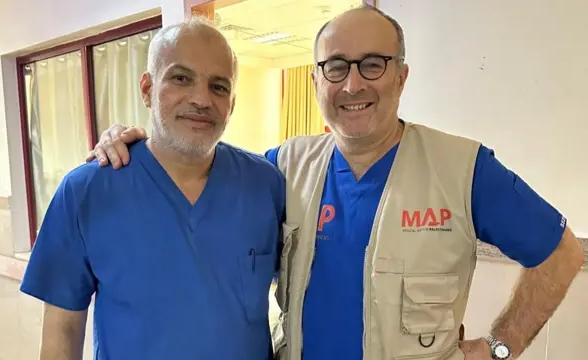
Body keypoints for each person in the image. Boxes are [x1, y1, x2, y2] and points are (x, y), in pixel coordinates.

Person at [86, 5, 585, 360]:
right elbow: (191, 166)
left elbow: (562, 252)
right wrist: (131, 138)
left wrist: (500, 346)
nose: (353, 84)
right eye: (336, 67)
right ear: (317, 81)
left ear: (401, 77)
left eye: (373, 64)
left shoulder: (463, 168)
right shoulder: (280, 167)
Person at [20, 18, 285, 360]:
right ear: (147, 89)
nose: (201, 99)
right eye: (181, 78)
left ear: (232, 104)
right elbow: (63, 331)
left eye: (219, 86)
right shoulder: (86, 190)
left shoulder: (265, 183)